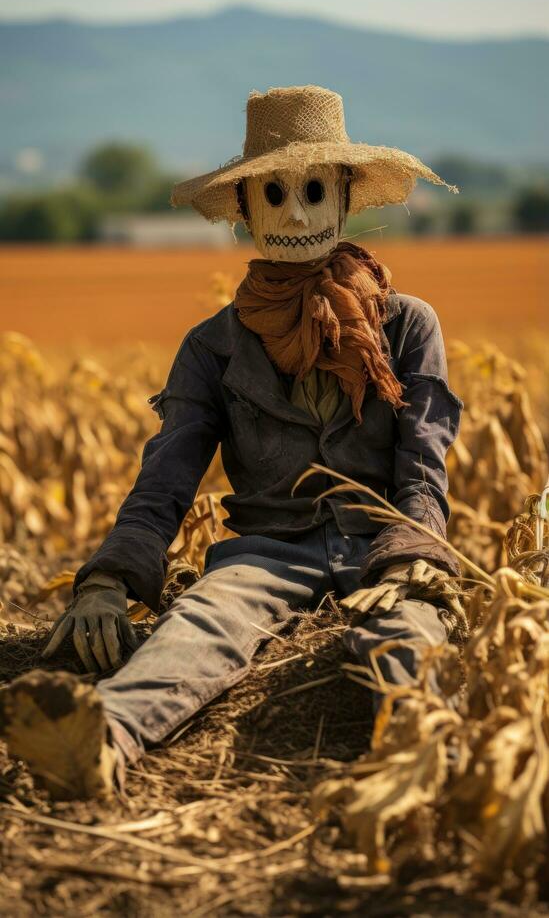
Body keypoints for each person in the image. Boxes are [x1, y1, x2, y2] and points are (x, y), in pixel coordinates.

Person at [0, 85, 465, 800]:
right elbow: (167, 478)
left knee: (408, 633)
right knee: (200, 625)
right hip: (267, 551)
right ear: (245, 209)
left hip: (381, 544)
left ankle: (424, 766)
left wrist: (412, 555)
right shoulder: (212, 347)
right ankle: (100, 744)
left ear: (344, 198)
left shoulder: (406, 326)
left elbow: (423, 462)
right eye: (273, 194)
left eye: (314, 190)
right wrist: (107, 578)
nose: (298, 212)